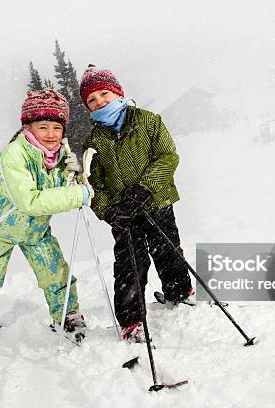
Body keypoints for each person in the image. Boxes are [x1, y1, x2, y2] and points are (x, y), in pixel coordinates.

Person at [0, 89, 92, 359]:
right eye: (43, 127)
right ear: (28, 127)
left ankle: (67, 315)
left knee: (56, 271)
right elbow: (31, 201)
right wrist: (79, 194)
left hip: (34, 229)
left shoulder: (58, 155)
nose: (51, 134)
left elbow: (59, 190)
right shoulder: (15, 155)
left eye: (57, 127)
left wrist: (75, 176)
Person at [79, 64, 193, 343]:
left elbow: (167, 158)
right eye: (91, 100)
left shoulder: (148, 121)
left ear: (118, 93)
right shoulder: (94, 140)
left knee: (167, 249)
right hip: (123, 214)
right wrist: (109, 211)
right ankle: (131, 320)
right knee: (130, 263)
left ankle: (179, 293)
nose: (99, 101)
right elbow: (94, 183)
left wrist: (144, 189)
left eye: (104, 94)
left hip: (156, 201)